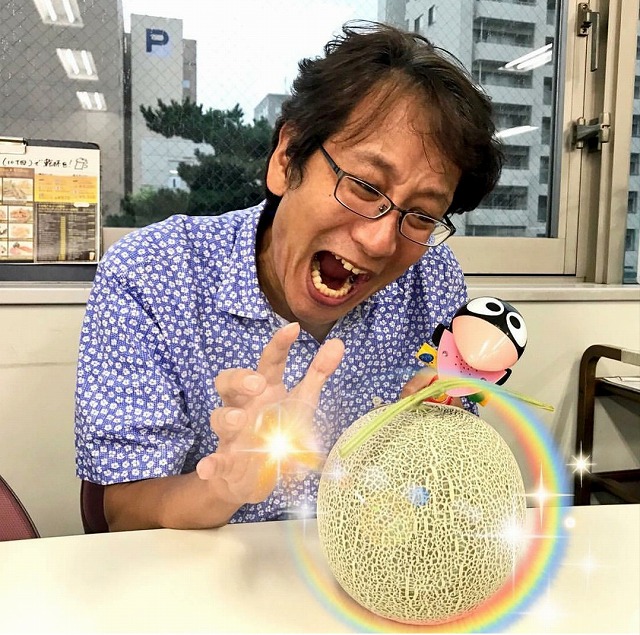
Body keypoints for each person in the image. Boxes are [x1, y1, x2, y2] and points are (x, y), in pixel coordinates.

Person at [74, 21, 503, 531]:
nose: (380, 240)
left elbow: (446, 487)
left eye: (423, 215)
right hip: (209, 573)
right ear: (286, 159)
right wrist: (224, 487)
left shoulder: (432, 280)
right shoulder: (154, 273)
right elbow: (122, 513)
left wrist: (439, 438)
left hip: (368, 567)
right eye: (365, 186)